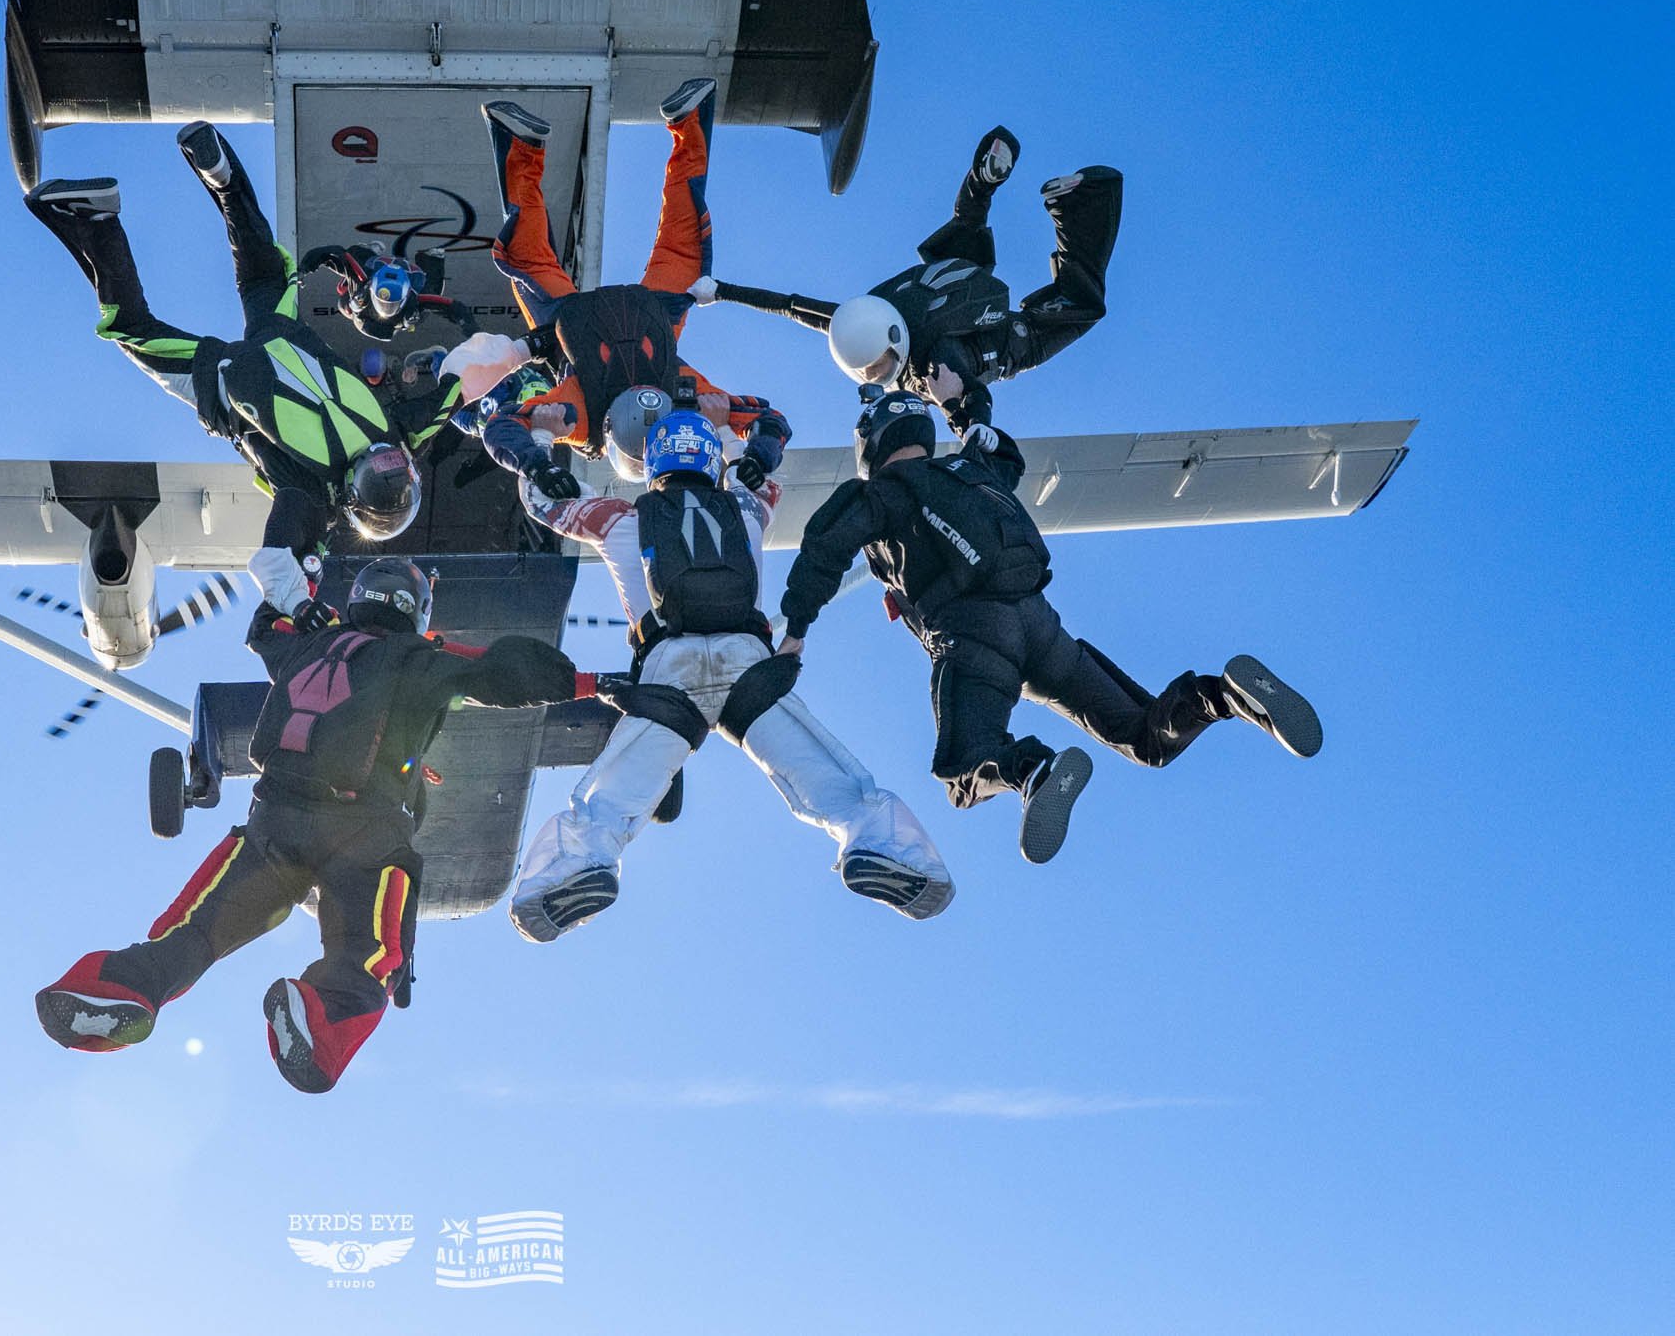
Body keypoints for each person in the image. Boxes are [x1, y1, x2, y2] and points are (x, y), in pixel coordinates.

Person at [34, 558, 586, 1093]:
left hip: (272, 824)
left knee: (193, 934)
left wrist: (307, 593)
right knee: (369, 961)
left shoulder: (304, 645)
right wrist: (592, 683)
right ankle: (317, 1021)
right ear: (415, 611)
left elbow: (262, 629)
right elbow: (508, 673)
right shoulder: (421, 658)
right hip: (366, 835)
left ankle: (114, 986)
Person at [779, 392, 1323, 865]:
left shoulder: (882, 493)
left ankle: (1031, 770)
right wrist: (966, 410)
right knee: (1145, 739)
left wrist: (796, 626)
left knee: (962, 774)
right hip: (1042, 626)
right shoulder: (970, 471)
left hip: (973, 634)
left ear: (869, 447)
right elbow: (1004, 456)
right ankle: (1222, 697)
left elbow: (824, 548)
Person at [507, 403, 953, 943]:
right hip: (748, 661)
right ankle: (890, 850)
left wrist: (540, 439)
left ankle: (571, 871)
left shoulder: (620, 520)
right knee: (827, 777)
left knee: (611, 800)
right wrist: (732, 435)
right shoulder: (745, 505)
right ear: (712, 458)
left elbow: (542, 502)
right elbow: (768, 461)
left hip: (670, 668)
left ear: (651, 462)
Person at [25, 122, 470, 616]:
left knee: (260, 259)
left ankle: (217, 169)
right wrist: (300, 608)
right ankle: (98, 222)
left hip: (280, 332)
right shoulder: (314, 504)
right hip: (222, 380)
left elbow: (456, 390)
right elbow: (275, 558)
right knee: (131, 329)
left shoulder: (403, 433)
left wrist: (520, 351)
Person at [466, 80, 793, 499]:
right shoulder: (687, 404)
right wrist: (754, 458)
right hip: (644, 316)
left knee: (529, 256)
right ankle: (686, 122)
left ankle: (524, 146)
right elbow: (771, 420)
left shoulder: (581, 418)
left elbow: (501, 427)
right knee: (681, 242)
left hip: (576, 329)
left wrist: (538, 465)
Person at [710, 128, 1122, 431]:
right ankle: (981, 181)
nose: (875, 374)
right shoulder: (858, 320)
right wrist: (721, 291)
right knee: (967, 222)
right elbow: (791, 306)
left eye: (876, 365)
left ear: (891, 340)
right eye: (869, 370)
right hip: (951, 280)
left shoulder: (933, 365)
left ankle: (1085, 198)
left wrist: (956, 412)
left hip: (1013, 340)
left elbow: (977, 408)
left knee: (1082, 306)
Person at [299, 242, 478, 344]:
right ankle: (432, 259)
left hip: (396, 274)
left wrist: (470, 328)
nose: (387, 306)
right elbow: (334, 253)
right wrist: (304, 268)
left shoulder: (414, 297)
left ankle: (430, 258)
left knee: (421, 309)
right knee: (345, 302)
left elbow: (453, 308)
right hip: (376, 279)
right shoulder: (363, 279)